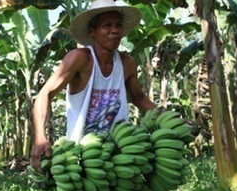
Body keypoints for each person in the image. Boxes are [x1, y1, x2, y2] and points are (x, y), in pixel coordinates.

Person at [30, 0, 156, 170]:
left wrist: (169, 118)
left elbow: (139, 99)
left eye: (119, 25)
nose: (115, 30)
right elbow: (45, 94)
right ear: (92, 32)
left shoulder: (127, 64)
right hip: (82, 155)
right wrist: (39, 137)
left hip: (121, 154)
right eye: (107, 25)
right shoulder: (80, 59)